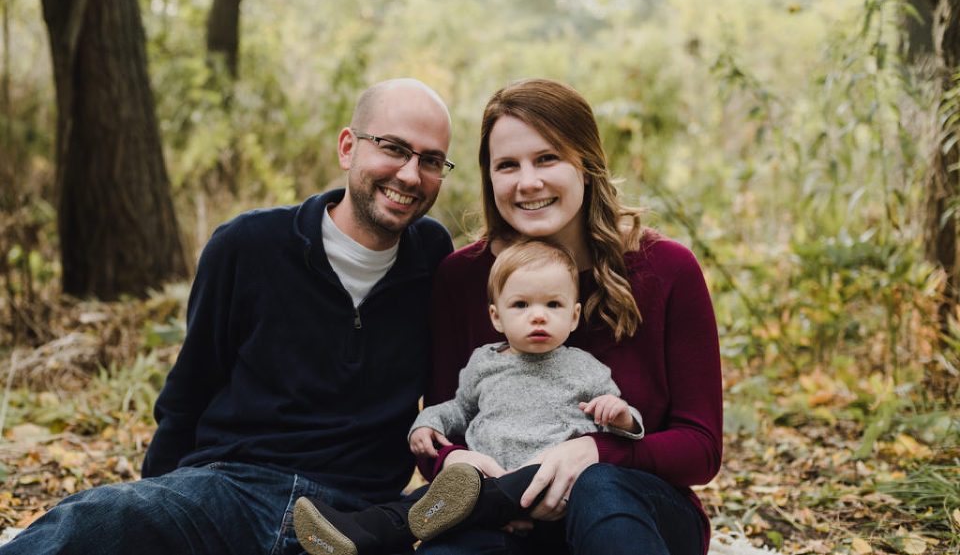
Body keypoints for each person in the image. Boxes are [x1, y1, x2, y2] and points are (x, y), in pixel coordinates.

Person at [0, 78, 456, 555]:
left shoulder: (434, 259)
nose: (409, 175)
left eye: (429, 160)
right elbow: (189, 391)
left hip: (357, 517)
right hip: (231, 489)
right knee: (96, 521)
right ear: (348, 147)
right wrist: (159, 502)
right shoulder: (248, 245)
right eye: (393, 148)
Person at [419, 78, 723, 555]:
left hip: (631, 511)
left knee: (598, 485)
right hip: (505, 511)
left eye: (547, 158)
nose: (528, 182)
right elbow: (443, 429)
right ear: (489, 178)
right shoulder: (462, 278)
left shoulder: (665, 270)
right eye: (507, 166)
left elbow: (701, 450)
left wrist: (595, 452)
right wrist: (460, 464)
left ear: (586, 164)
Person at [292, 240, 644, 555]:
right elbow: (459, 408)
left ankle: (387, 527)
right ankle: (359, 532)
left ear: (573, 316)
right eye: (521, 305)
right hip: (486, 485)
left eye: (553, 304)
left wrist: (620, 413)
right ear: (497, 316)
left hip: (550, 487)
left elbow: (622, 424)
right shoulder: (485, 362)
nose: (538, 315)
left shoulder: (582, 366)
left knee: (453, 498)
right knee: (431, 500)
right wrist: (429, 423)